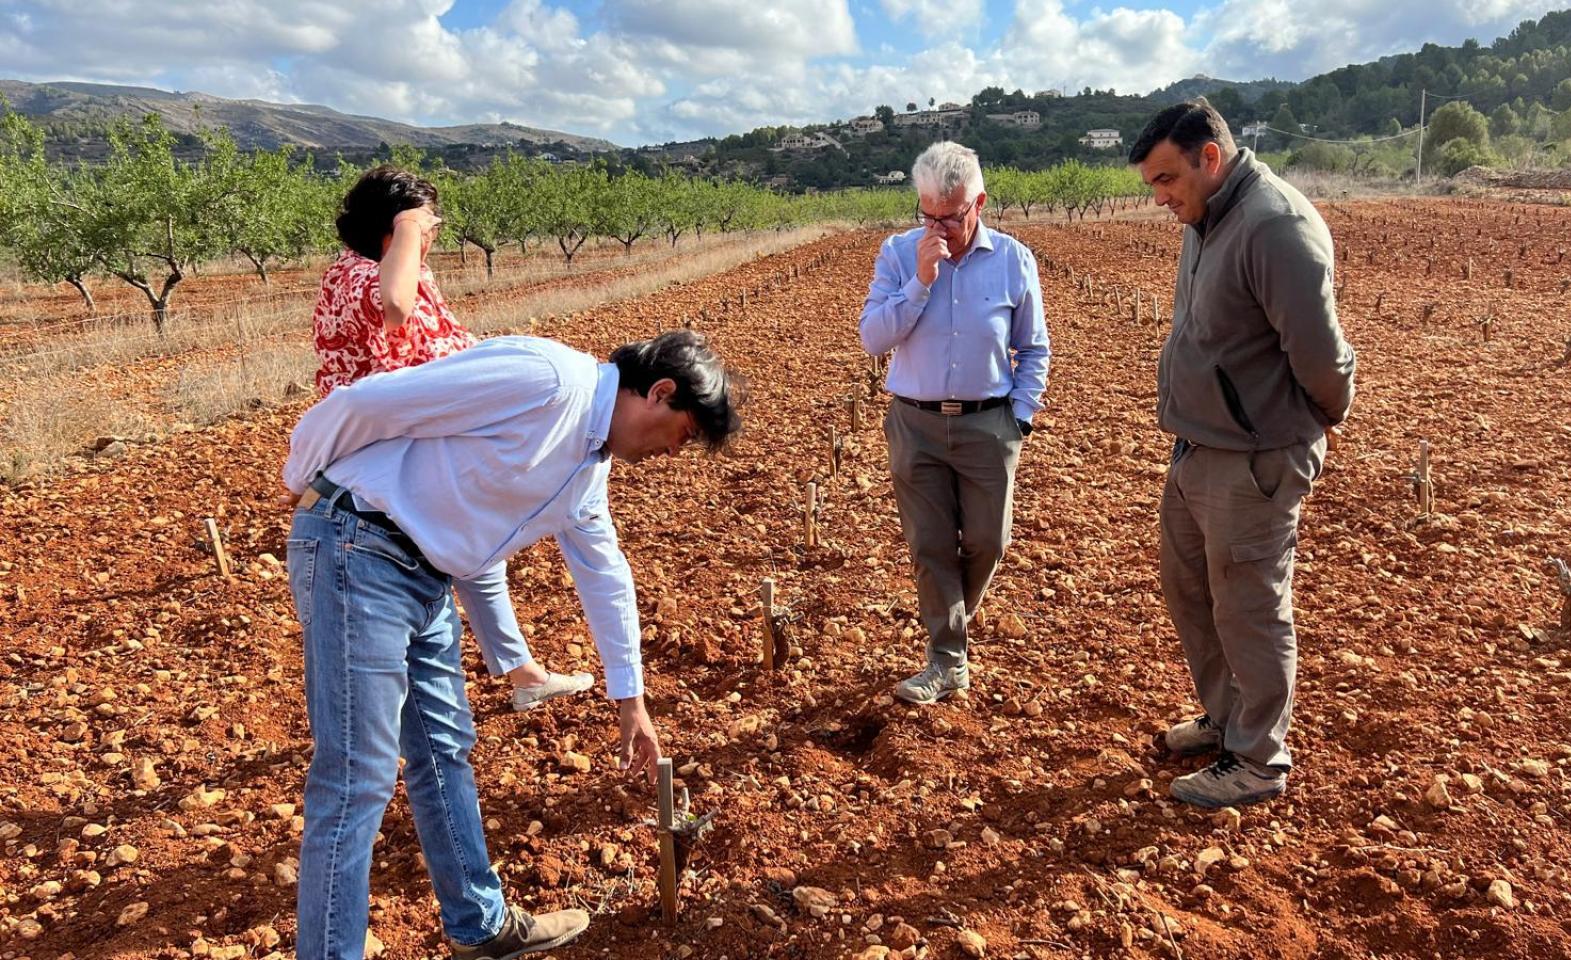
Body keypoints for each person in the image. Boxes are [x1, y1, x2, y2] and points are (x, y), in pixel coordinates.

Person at [281, 330, 744, 959]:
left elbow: (606, 576)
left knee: (444, 752)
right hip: (357, 542)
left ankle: (479, 925)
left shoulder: (586, 470)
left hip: (425, 574)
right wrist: (303, 476)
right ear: (660, 394)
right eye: (683, 435)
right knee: (357, 775)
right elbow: (376, 402)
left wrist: (630, 699)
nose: (672, 453)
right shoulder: (549, 378)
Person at [1131, 99, 1356, 807]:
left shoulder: (1274, 227)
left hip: (1254, 456)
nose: (1161, 197)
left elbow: (1320, 356)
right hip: (1199, 446)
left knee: (1250, 606)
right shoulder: (1207, 217)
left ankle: (1258, 759)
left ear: (1210, 157)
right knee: (1191, 591)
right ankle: (1226, 718)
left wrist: (1316, 421)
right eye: (1152, 185)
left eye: (1167, 179)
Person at [312, 165, 589, 712]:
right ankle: (422, 700)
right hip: (387, 448)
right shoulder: (360, 276)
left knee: (474, 551)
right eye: (426, 223)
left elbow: (445, 343)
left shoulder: (402, 272)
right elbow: (394, 307)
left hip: (422, 434)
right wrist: (411, 228)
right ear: (396, 227)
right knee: (452, 552)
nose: (434, 233)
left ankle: (520, 673)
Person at [859, 141, 1051, 705]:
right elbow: (874, 336)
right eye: (929, 215)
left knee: (989, 542)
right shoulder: (898, 255)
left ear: (980, 202)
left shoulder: (1014, 260)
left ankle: (951, 631)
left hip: (988, 424)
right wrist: (920, 279)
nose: (940, 227)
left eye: (952, 214)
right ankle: (947, 659)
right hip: (914, 423)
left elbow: (1033, 350)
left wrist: (1019, 419)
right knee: (931, 546)